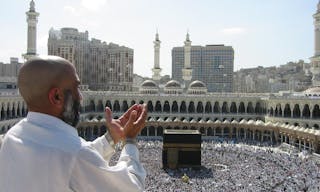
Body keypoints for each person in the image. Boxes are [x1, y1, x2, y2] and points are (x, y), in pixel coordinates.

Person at [0, 56, 147, 192]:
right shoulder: (74, 155)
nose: (81, 97)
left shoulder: (11, 137)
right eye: (76, 88)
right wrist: (129, 141)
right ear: (56, 96)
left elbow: (72, 161)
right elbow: (132, 188)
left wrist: (112, 139)